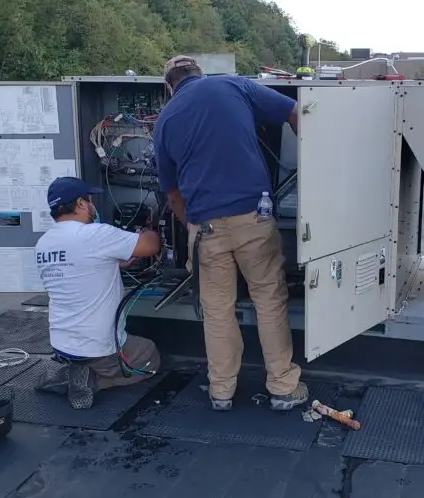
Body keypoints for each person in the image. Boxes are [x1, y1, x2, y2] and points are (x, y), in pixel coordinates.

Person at [152, 55, 307, 412]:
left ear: (168, 86)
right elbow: (294, 110)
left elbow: (172, 194)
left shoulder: (165, 120)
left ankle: (221, 391)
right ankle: (283, 387)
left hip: (206, 227)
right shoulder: (234, 85)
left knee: (217, 309)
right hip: (253, 217)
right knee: (268, 298)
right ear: (199, 74)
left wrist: (191, 223)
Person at [34, 176, 162, 409]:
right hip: (96, 346)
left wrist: (114, 260)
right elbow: (151, 246)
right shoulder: (94, 234)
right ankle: (95, 380)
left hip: (61, 343)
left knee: (90, 352)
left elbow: (80, 268)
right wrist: (149, 230)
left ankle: (74, 371)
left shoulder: (43, 244)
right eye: (90, 200)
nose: (93, 206)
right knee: (150, 356)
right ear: (82, 204)